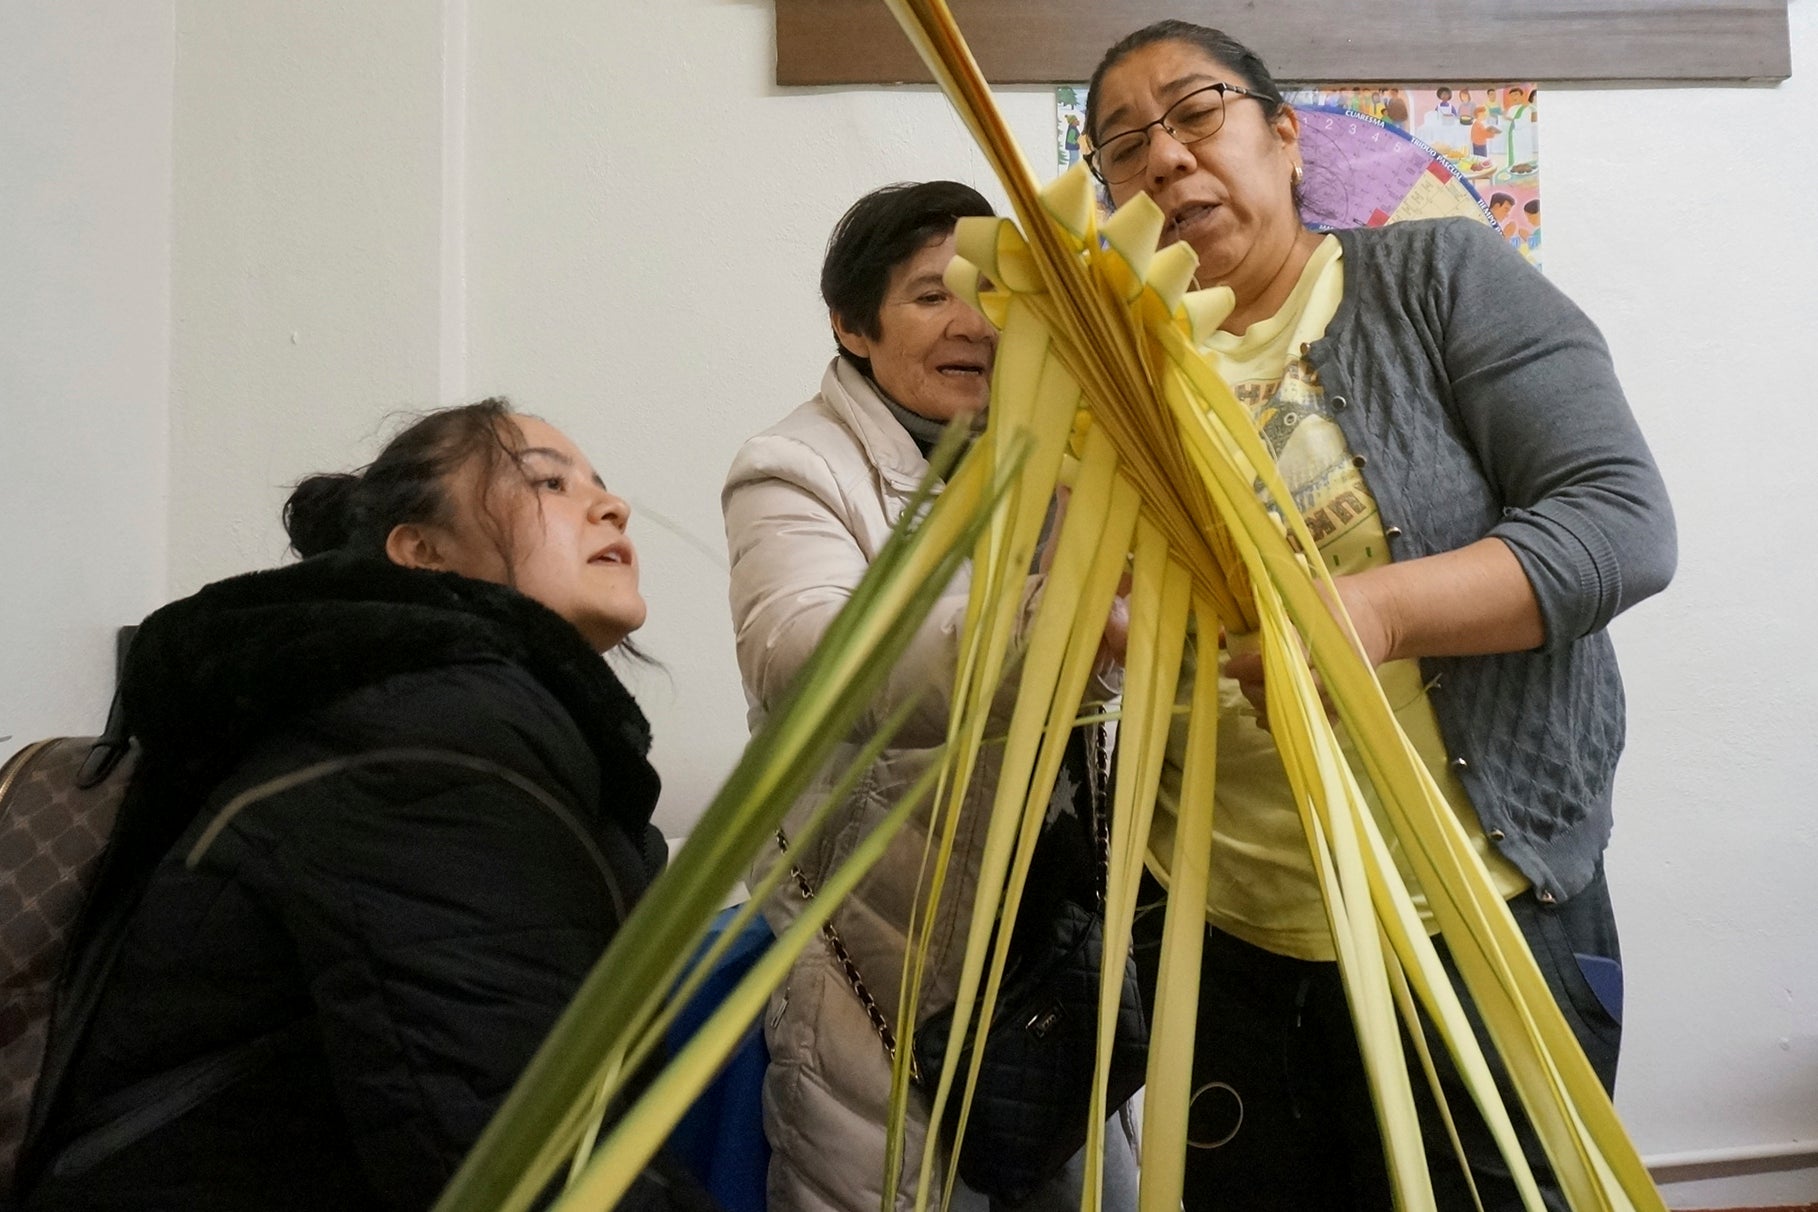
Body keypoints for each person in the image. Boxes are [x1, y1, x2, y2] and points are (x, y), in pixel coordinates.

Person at [1081, 20, 1674, 1211]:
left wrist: (1378, 613)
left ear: (1285, 135)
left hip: (1475, 921)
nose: (1165, 160)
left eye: (1198, 114)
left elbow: (1620, 522)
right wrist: (1095, 631)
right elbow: (1082, 619)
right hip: (1227, 942)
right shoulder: (1110, 382)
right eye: (1123, 145)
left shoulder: (1436, 278)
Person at [15, 401, 712, 1211]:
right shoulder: (429, 736)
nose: (610, 504)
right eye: (547, 482)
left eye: (600, 482)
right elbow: (506, 1152)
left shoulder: (482, 724)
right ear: (422, 553)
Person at [722, 181, 1139, 1212]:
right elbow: (807, 660)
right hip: (882, 963)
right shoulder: (794, 467)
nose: (976, 324)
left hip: (1057, 948)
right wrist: (1058, 624)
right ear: (852, 326)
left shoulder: (1064, 456)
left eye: (999, 295)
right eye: (932, 297)